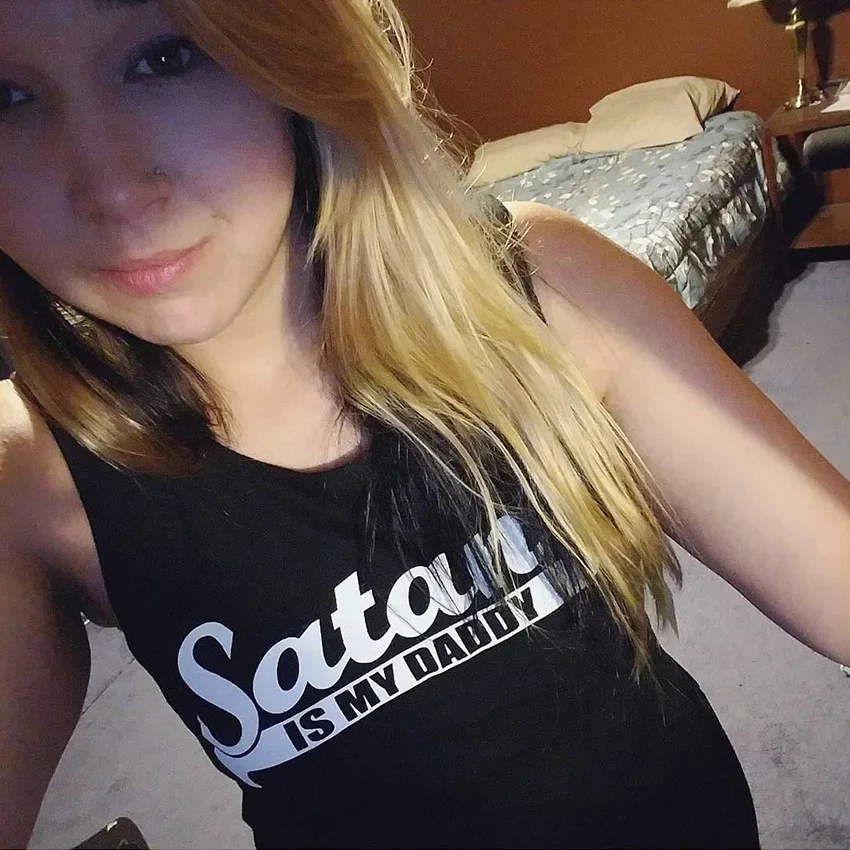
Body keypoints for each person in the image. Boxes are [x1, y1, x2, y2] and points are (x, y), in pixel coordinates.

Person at [1, 1, 849, 848]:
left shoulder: (538, 286)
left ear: (293, 55)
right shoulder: (30, 478)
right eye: (6, 97)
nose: (112, 192)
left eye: (167, 58)